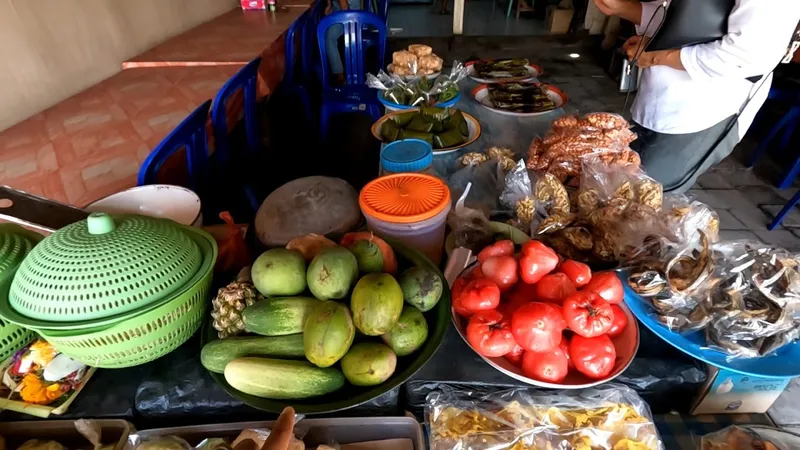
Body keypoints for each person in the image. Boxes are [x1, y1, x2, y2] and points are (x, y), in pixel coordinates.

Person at [593, 0, 800, 192]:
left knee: (643, 200)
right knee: (616, 184)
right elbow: (684, 20)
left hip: (702, 113)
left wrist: (655, 56)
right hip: (657, 97)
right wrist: (620, 7)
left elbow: (746, 55)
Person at [325, 0, 363, 84]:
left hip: (351, 14)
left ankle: (341, 78)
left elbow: (345, 8)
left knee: (328, 37)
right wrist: (330, 4)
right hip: (340, 9)